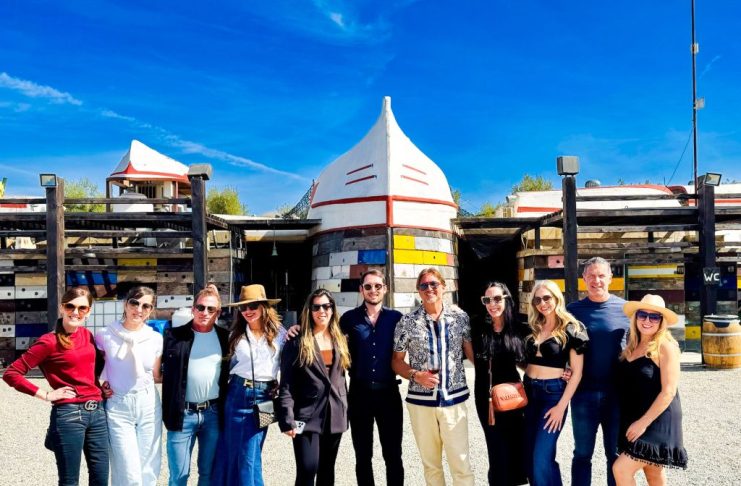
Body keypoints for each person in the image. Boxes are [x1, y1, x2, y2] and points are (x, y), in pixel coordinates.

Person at [3, 286, 109, 486]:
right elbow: (11, 373)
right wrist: (45, 394)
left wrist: (101, 387)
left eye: (82, 308)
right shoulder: (48, 341)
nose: (75, 312)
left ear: (89, 311)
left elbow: (90, 370)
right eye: (70, 306)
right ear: (62, 308)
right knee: (69, 482)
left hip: (98, 413)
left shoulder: (87, 335)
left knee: (101, 479)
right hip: (70, 415)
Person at [392, 267, 475, 486]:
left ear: (443, 287)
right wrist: (415, 375)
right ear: (418, 290)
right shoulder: (407, 321)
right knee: (431, 466)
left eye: (433, 284)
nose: (429, 289)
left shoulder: (460, 317)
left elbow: (471, 354)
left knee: (461, 464)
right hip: (421, 403)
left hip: (454, 399)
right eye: (424, 285)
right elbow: (396, 361)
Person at [213, 284, 287, 485]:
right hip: (236, 394)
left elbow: (288, 364)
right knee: (230, 449)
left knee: (250, 453)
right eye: (243, 307)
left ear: (264, 307)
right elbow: (225, 367)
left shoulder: (280, 334)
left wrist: (280, 386)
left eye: (253, 306)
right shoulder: (235, 335)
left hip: (264, 398)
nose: (248, 311)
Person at [278, 288, 351, 486]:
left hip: (335, 414)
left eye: (326, 306)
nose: (322, 311)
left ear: (332, 309)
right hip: (306, 414)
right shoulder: (297, 341)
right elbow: (287, 383)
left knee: (327, 471)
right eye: (316, 307)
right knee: (307, 469)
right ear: (309, 310)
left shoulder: (341, 339)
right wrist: (287, 418)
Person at [567, 256, 630, 486]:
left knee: (615, 454)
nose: (597, 280)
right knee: (582, 454)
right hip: (583, 394)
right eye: (591, 276)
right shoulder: (572, 311)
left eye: (602, 275)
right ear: (584, 279)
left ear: (611, 278)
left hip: (617, 395)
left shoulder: (626, 309)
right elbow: (561, 345)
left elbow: (638, 346)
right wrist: (563, 367)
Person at [613, 295, 688, 485]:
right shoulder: (632, 344)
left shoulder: (666, 346)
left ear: (662, 321)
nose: (647, 320)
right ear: (635, 317)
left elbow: (669, 391)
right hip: (635, 414)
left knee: (621, 469)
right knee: (653, 472)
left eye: (654, 317)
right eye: (643, 315)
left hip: (657, 419)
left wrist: (643, 423)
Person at [339, 269, 404, 486]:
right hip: (359, 394)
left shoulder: (396, 319)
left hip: (389, 394)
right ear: (361, 290)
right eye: (368, 286)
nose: (373, 290)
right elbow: (323, 334)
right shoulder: (348, 319)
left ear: (385, 289)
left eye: (377, 286)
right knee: (363, 455)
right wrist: (297, 328)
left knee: (393, 454)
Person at [162, 284, 229, 486]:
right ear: (193, 309)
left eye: (211, 309)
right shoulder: (173, 336)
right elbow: (149, 365)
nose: (204, 312)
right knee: (179, 476)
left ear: (218, 313)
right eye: (200, 307)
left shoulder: (226, 338)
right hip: (182, 414)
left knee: (208, 474)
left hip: (212, 414)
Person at [95, 286, 163, 486]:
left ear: (151, 310)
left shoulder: (155, 338)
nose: (139, 309)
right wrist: (100, 386)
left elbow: (156, 375)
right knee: (127, 468)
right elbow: (94, 368)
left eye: (146, 306)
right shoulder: (104, 335)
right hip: (118, 404)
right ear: (125, 304)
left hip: (148, 403)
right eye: (134, 303)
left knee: (149, 466)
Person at [524, 280, 588, 486]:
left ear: (556, 298)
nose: (542, 303)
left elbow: (577, 373)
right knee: (530, 454)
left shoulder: (572, 328)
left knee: (541, 456)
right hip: (528, 393)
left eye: (546, 298)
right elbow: (526, 362)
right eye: (537, 300)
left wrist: (561, 407)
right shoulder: (533, 327)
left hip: (552, 396)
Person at [472, 282, 528, 486]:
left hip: (513, 397)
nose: (492, 304)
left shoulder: (520, 327)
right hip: (486, 398)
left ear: (507, 299)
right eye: (487, 300)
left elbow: (532, 361)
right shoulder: (478, 327)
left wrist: (563, 370)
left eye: (497, 299)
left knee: (515, 447)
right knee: (496, 450)